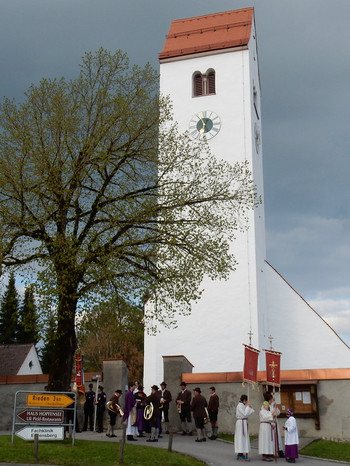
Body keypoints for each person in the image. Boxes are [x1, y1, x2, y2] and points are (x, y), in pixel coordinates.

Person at [234, 394, 254, 462]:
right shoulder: (239, 406)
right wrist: (248, 407)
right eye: (246, 400)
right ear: (244, 400)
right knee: (240, 438)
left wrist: (249, 406)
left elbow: (251, 412)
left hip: (244, 423)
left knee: (244, 438)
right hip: (240, 423)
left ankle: (241, 453)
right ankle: (240, 453)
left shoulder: (243, 405)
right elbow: (245, 414)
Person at [265, 392, 284, 458]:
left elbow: (278, 413)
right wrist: (272, 413)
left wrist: (276, 407)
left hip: (275, 422)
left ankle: (280, 451)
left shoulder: (273, 405)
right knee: (272, 438)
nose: (272, 400)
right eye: (271, 399)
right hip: (271, 423)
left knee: (277, 437)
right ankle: (272, 452)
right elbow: (267, 414)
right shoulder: (266, 406)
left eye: (272, 399)